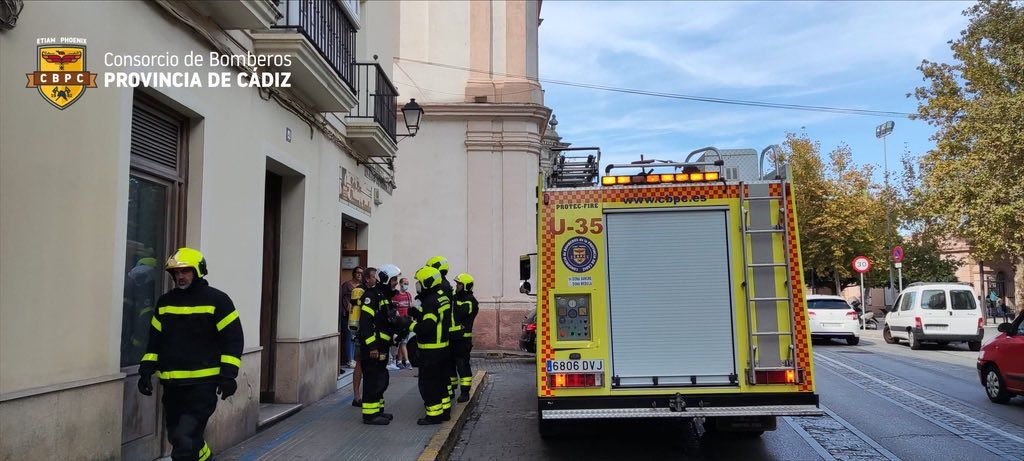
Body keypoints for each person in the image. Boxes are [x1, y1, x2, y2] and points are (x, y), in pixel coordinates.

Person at [137, 248, 243, 461]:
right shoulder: (165, 303)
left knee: (184, 440)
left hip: (202, 386)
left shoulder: (218, 300)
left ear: (198, 271)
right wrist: (146, 371)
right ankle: (205, 457)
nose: (180, 276)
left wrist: (228, 376)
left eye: (185, 271)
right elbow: (155, 341)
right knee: (179, 437)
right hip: (172, 385)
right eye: (176, 272)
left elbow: (233, 340)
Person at [358, 264, 402, 425]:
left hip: (382, 346)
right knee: (372, 380)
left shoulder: (382, 296)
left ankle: (378, 410)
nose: (396, 283)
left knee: (381, 379)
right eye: (394, 279)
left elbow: (385, 321)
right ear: (386, 279)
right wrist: (372, 347)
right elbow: (365, 323)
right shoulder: (371, 296)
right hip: (373, 349)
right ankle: (370, 415)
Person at [409, 266, 452, 425]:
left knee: (429, 384)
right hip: (443, 348)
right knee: (442, 382)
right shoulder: (442, 297)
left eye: (419, 282)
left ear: (427, 283)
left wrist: (408, 325)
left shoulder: (429, 301)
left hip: (430, 350)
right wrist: (418, 314)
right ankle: (445, 412)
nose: (417, 286)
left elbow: (426, 328)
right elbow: (433, 318)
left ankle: (433, 416)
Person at [426, 256, 457, 404]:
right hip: (445, 330)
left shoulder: (440, 287)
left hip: (439, 334)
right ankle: (448, 393)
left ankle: (445, 395)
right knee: (446, 367)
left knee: (439, 371)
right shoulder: (445, 285)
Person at [350, 267, 377, 408]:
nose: (376, 279)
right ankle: (357, 397)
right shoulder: (361, 291)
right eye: (374, 277)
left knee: (366, 365)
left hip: (370, 333)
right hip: (362, 333)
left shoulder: (372, 290)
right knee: (360, 364)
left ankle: (365, 395)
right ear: (367, 279)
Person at [452, 273, 479, 402]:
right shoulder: (455, 298)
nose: (457, 286)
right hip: (452, 338)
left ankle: (465, 392)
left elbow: (459, 313)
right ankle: (451, 390)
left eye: (459, 284)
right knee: (450, 366)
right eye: (457, 284)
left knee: (462, 366)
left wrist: (452, 303)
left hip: (463, 340)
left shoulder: (470, 301)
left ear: (466, 286)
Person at [340, 267, 363, 369]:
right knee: (349, 336)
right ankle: (350, 359)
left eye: (361, 273)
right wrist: (345, 307)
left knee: (355, 337)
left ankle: (353, 358)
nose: (359, 274)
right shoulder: (346, 285)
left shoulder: (362, 286)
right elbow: (341, 298)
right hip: (347, 314)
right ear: (353, 273)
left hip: (358, 315)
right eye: (358, 272)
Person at [392, 278, 414, 369]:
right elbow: (393, 308)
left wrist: (411, 319)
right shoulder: (396, 295)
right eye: (405, 283)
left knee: (403, 341)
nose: (406, 285)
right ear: (400, 284)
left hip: (407, 321)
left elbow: (410, 308)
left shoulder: (408, 295)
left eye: (407, 283)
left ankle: (399, 361)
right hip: (399, 322)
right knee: (401, 342)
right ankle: (406, 361)